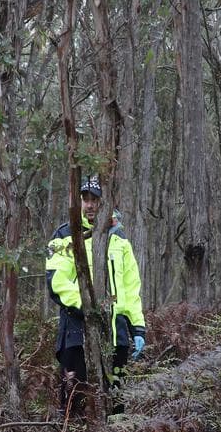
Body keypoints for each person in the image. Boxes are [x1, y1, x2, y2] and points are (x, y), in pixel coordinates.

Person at [45, 177, 146, 415]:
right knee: (75, 403)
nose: (90, 205)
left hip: (115, 334)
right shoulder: (63, 235)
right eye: (86, 199)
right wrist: (89, 309)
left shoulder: (119, 238)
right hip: (76, 332)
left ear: (105, 202)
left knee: (114, 404)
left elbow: (131, 288)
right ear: (78, 201)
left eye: (95, 200)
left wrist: (137, 328)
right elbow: (57, 282)